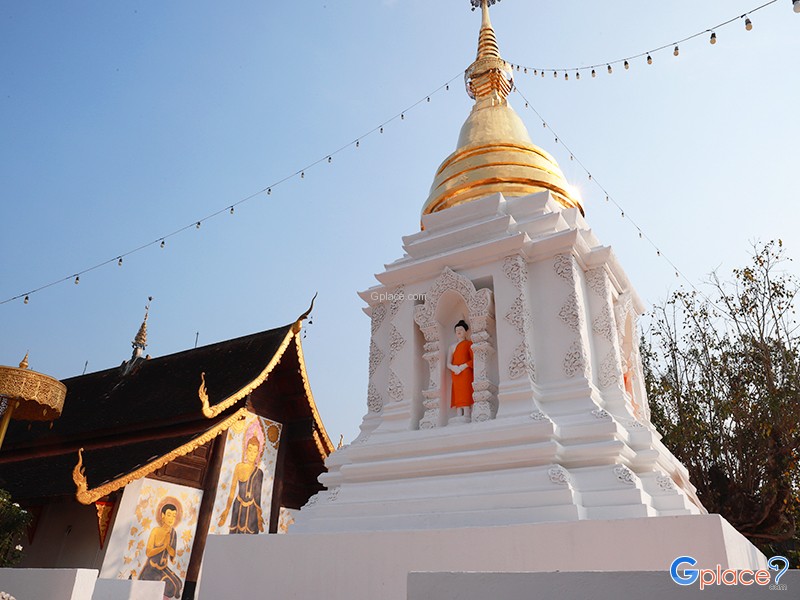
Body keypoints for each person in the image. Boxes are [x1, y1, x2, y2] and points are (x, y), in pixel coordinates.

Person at [217, 435, 265, 534]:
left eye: (254, 451)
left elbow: (258, 497)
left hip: (252, 509)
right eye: (250, 450)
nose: (251, 454)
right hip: (238, 505)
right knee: (235, 534)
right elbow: (232, 491)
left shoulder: (259, 472)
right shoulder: (239, 467)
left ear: (258, 453)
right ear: (246, 450)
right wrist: (227, 510)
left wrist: (259, 517)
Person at [139, 502, 183, 600]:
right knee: (170, 587)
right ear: (163, 515)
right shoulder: (156, 531)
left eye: (174, 516)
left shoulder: (173, 533)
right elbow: (149, 552)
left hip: (163, 567)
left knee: (179, 584)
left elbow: (172, 554)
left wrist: (168, 546)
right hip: (151, 568)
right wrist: (163, 547)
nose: (171, 518)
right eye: (169, 515)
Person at [447, 320, 474, 419]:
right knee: (457, 392)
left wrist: (463, 366)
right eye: (457, 330)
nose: (459, 331)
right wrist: (453, 368)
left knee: (465, 391)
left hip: (466, 372)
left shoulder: (469, 344)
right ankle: (459, 414)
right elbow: (448, 363)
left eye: (461, 329)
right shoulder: (452, 347)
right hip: (456, 373)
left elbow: (474, 360)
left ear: (466, 332)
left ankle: (467, 413)